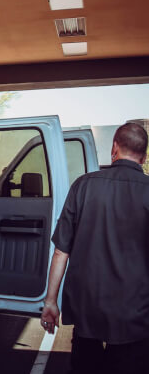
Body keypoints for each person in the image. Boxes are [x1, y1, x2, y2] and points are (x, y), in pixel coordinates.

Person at [40, 122, 149, 374]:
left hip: (87, 308)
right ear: (143, 157)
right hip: (136, 312)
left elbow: (61, 252)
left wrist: (50, 301)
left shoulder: (83, 185)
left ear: (114, 148)